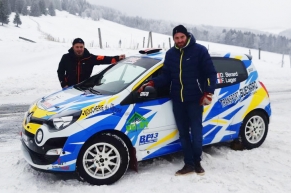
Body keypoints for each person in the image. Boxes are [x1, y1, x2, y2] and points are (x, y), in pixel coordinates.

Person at [138, 25, 217, 176]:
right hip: (178, 99)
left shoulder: (199, 51)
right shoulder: (170, 54)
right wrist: (152, 82)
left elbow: (211, 73)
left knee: (196, 131)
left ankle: (197, 162)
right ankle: (188, 164)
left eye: (182, 37)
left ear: (186, 36)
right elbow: (167, 76)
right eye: (176, 38)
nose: (179, 40)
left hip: (195, 99)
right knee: (183, 133)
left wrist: (208, 92)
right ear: (173, 39)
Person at [57, 38, 126, 88]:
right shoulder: (66, 57)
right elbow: (60, 71)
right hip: (69, 87)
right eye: (77, 47)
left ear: (84, 47)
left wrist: (117, 58)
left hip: (84, 88)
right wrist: (63, 84)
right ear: (73, 47)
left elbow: (103, 59)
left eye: (81, 47)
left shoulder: (89, 58)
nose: (79, 49)